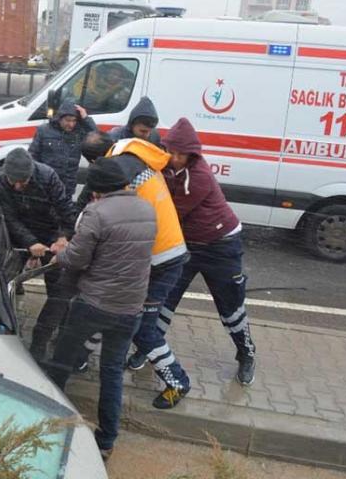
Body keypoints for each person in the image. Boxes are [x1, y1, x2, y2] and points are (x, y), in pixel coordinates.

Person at [44, 158, 156, 461]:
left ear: (96, 190)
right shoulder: (147, 209)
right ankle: (106, 441)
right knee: (111, 374)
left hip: (93, 304)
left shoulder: (96, 212)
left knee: (62, 362)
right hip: (131, 308)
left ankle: (49, 423)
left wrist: (60, 254)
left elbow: (78, 260)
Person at [74, 134, 192, 409]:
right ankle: (78, 357)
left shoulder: (123, 173)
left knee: (141, 328)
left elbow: (109, 222)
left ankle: (178, 382)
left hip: (159, 260)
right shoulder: (132, 156)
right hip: (166, 250)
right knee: (110, 308)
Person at [160, 118, 256, 385]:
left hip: (220, 244)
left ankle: (246, 353)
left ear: (193, 154)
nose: (176, 158)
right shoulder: (166, 165)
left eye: (182, 154)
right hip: (187, 244)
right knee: (164, 297)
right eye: (172, 152)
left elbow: (172, 213)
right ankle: (149, 347)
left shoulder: (200, 175)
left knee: (230, 305)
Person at [0, 148, 77, 360]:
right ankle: (5, 329)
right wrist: (30, 243)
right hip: (18, 237)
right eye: (13, 181)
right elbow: (8, 218)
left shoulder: (47, 176)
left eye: (24, 181)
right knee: (5, 281)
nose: (18, 186)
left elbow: (66, 210)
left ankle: (59, 332)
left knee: (58, 289)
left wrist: (63, 237)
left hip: (50, 234)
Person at [29, 97, 97, 198]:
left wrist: (86, 119)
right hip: (45, 186)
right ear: (60, 118)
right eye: (68, 120)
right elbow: (32, 156)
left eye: (74, 121)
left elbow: (97, 139)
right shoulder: (44, 130)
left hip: (66, 188)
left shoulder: (79, 133)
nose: (71, 124)